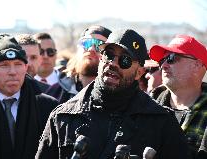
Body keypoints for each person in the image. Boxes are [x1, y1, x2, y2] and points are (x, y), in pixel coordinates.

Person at [35, 29, 191, 159]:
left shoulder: (161, 122)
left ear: (139, 72)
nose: (113, 64)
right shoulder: (63, 116)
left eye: (125, 60)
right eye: (109, 55)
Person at [149, 35, 207, 158]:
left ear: (196, 65)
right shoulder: (148, 105)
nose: (163, 65)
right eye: (162, 60)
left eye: (171, 58)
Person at [46, 25, 112, 104]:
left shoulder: (118, 95)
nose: (91, 49)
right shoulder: (55, 93)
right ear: (78, 49)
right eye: (87, 43)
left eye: (99, 46)